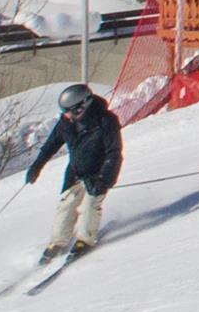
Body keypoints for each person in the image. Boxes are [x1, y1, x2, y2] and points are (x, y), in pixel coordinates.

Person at [24, 83, 124, 262]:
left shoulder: (105, 121)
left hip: (98, 173)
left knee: (89, 205)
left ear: (82, 107)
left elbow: (114, 153)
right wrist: (36, 167)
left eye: (70, 111)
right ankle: (58, 242)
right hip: (75, 173)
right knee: (66, 206)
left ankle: (84, 239)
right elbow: (50, 146)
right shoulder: (66, 123)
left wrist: (104, 179)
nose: (67, 116)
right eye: (65, 112)